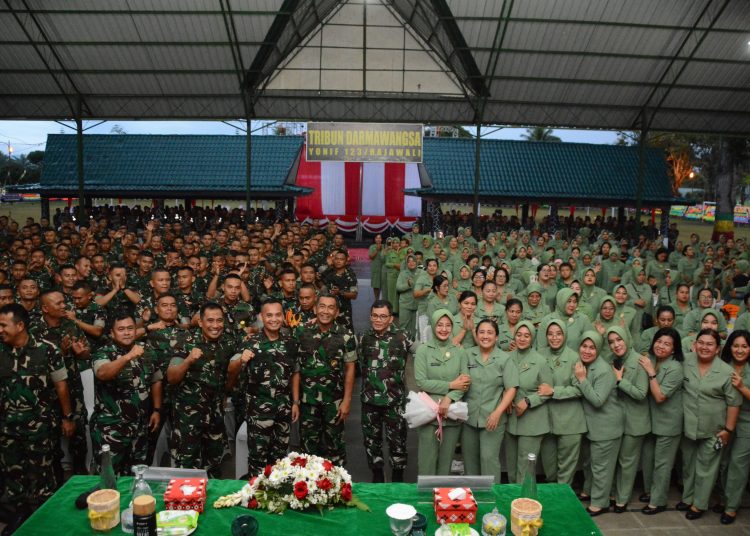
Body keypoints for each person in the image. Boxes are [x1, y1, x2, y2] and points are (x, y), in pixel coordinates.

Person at [0, 303, 75, 532]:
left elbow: (61, 386)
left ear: (20, 325)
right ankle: (16, 521)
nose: (0, 329)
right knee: (11, 478)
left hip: (39, 427)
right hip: (6, 429)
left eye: (4, 325)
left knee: (42, 479)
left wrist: (67, 417)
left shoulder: (47, 349)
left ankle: (46, 522)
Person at [229, 299, 299, 478]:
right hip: (258, 412)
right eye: (269, 315)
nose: (273, 319)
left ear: (283, 317)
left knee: (280, 461)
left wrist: (296, 402)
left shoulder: (291, 343)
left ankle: (276, 497)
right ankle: (257, 498)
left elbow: (295, 373)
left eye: (277, 315)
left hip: (283, 410)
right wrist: (240, 360)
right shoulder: (250, 341)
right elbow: (231, 370)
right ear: (261, 317)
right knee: (257, 461)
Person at [167, 302, 237, 477]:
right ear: (200, 322)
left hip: (214, 416)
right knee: (186, 467)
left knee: (213, 466)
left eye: (219, 320)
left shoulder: (228, 343)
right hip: (189, 419)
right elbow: (172, 377)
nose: (215, 325)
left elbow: (228, 378)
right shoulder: (185, 342)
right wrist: (189, 360)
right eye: (210, 320)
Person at [677, 328, 741, 520]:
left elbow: (734, 403)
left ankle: (699, 504)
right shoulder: (685, 362)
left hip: (714, 429)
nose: (704, 347)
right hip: (687, 426)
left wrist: (728, 430)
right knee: (688, 465)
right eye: (701, 343)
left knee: (706, 468)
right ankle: (688, 498)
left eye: (710, 344)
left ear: (717, 348)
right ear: (694, 345)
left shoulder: (726, 371)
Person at [90, 314, 162, 474]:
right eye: (121, 329)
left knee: (137, 474)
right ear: (112, 333)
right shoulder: (103, 353)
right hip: (111, 428)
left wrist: (156, 410)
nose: (127, 333)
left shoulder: (147, 350)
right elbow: (103, 373)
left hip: (140, 426)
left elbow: (156, 380)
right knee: (108, 476)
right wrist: (128, 357)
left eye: (130, 328)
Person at [293, 294, 356, 466]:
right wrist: (296, 401)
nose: (325, 311)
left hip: (334, 402)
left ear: (336, 312)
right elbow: (296, 369)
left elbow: (350, 368)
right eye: (322, 306)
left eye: (330, 307)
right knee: (307, 452)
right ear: (315, 309)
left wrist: (347, 400)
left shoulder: (346, 335)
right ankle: (307, 489)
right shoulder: (301, 332)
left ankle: (338, 487)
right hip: (308, 402)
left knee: (335, 449)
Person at [357, 300, 413, 483]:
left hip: (394, 403)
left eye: (383, 316)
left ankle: (398, 481)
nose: (378, 320)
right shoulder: (363, 337)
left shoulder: (404, 337)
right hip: (369, 402)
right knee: (372, 444)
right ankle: (377, 478)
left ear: (391, 318)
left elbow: (426, 352)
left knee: (398, 444)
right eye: (375, 315)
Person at [462, 319, 518, 482]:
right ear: (476, 334)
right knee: (470, 462)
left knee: (489, 460)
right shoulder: (467, 354)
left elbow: (511, 388)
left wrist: (497, 412)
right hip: (469, 417)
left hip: (492, 418)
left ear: (497, 336)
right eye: (481, 332)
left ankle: (492, 499)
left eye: (490, 332)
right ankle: (472, 500)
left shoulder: (504, 359)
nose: (485, 336)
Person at [414, 309, 469, 475]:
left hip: (452, 413)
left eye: (448, 325)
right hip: (428, 413)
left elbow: (465, 382)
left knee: (446, 463)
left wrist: (449, 398)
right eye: (439, 325)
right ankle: (424, 498)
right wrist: (451, 385)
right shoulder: (423, 350)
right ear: (433, 326)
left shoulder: (460, 351)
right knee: (426, 462)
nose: (444, 329)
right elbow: (421, 382)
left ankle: (442, 499)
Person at [575, 330, 623, 516]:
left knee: (601, 467)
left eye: (592, 347)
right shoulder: (587, 364)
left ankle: (600, 503)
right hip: (593, 426)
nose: (587, 351)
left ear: (599, 349)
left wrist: (581, 379)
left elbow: (597, 400)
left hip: (606, 426)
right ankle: (591, 492)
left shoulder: (603, 370)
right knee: (592, 463)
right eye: (584, 346)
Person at [638, 328, 684, 515]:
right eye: (659, 341)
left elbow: (659, 396)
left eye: (667, 344)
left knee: (662, 464)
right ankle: (651, 491)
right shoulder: (653, 360)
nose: (661, 346)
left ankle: (658, 501)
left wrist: (650, 372)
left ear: (674, 349)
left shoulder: (675, 368)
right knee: (648, 459)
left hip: (668, 423)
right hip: (651, 420)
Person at [605, 325, 649, 513]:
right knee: (616, 459)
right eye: (611, 342)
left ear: (627, 339)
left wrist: (620, 381)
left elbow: (641, 393)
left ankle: (622, 499)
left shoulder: (639, 361)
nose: (616, 344)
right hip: (617, 420)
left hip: (635, 421)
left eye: (619, 339)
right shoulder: (613, 359)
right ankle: (614, 493)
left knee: (627, 461)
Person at [537, 320, 586, 485]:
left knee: (566, 469)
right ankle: (552, 496)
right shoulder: (540, 354)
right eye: (550, 334)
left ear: (564, 335)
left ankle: (563, 499)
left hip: (569, 420)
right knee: (549, 465)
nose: (554, 337)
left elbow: (579, 389)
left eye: (558, 333)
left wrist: (553, 391)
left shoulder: (574, 357)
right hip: (546, 420)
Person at [505, 321, 553, 483]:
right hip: (511, 419)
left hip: (532, 421)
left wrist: (529, 401)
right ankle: (511, 500)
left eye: (527, 336)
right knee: (511, 466)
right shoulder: (507, 358)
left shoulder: (540, 361)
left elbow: (548, 391)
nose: (522, 339)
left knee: (525, 467)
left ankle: (523, 502)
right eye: (519, 335)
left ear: (532, 338)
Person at [718, 330, 750, 524]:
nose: (739, 350)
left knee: (738, 465)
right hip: (724, 421)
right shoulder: (723, 366)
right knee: (723, 463)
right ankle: (724, 499)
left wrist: (742, 387)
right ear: (729, 347)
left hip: (746, 423)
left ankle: (731, 507)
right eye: (736, 346)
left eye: (744, 346)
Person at [368, 234, 384, 300]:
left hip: (383, 268)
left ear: (381, 239)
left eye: (380, 238)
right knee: (376, 284)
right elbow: (371, 257)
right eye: (377, 238)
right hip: (375, 268)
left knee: (383, 284)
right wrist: (377, 250)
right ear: (375, 239)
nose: (378, 239)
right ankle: (376, 299)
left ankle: (383, 299)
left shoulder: (384, 246)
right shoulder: (372, 247)